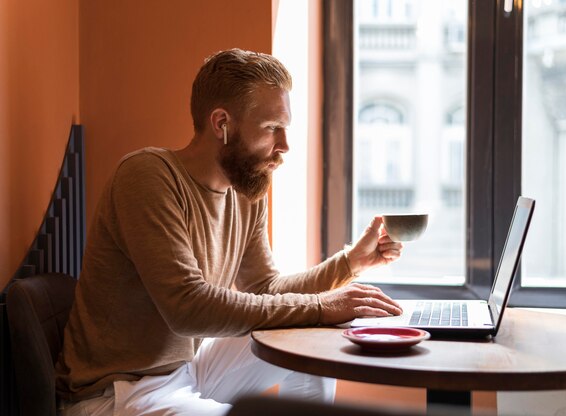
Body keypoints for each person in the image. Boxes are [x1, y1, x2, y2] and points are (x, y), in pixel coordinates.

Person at [56, 48, 404, 415]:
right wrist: (320, 306)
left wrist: (350, 263)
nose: (285, 145)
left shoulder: (246, 190)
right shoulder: (147, 176)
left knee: (310, 344)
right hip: (117, 391)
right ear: (222, 123)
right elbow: (188, 309)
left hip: (186, 369)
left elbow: (266, 290)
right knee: (311, 320)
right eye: (272, 128)